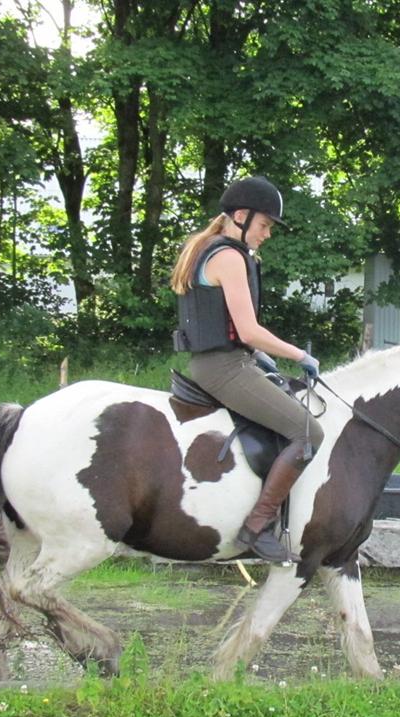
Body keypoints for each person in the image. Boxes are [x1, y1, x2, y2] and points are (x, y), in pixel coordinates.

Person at [169, 176, 324, 564]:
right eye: (264, 225)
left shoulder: (206, 248)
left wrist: (263, 358)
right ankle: (257, 526)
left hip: (224, 360)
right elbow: (250, 329)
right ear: (240, 216)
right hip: (224, 368)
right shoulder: (229, 256)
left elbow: (236, 331)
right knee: (308, 430)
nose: (267, 233)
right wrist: (299, 356)